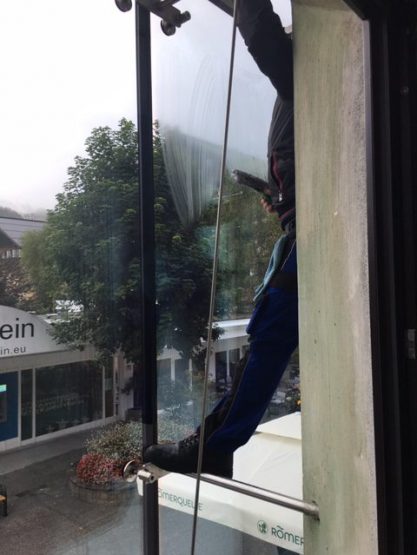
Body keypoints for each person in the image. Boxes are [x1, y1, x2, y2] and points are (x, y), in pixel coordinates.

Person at [144, 0, 297, 478]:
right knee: (268, 336)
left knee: (269, 336)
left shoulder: (301, 77)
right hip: (303, 225)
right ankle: (215, 444)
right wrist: (282, 197)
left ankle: (214, 446)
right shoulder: (302, 94)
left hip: (309, 232)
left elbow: (262, 35)